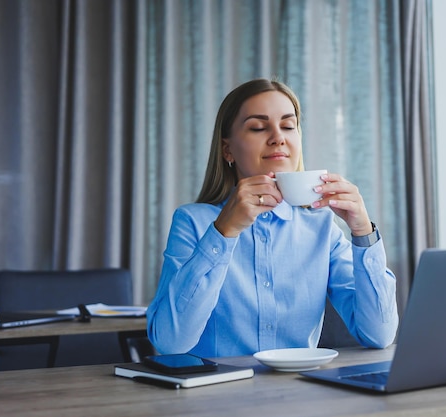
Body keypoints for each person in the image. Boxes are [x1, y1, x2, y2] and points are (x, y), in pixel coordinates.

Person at [147, 78, 399, 357]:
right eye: (257, 127)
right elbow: (169, 343)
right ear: (227, 149)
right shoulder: (192, 222)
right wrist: (223, 232)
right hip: (214, 396)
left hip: (299, 394)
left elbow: (379, 335)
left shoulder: (322, 227)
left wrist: (363, 231)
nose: (278, 136)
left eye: (289, 126)